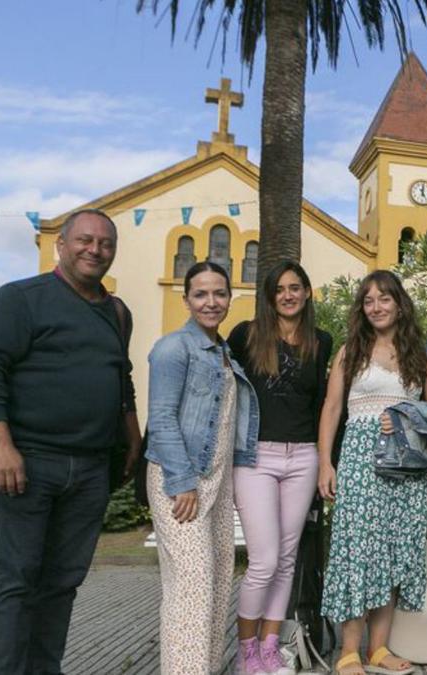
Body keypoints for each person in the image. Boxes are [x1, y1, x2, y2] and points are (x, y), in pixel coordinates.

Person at [0, 209, 142, 674]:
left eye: (104, 243)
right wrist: (0, 444)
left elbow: (121, 382)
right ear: (61, 245)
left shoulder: (116, 313)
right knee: (13, 584)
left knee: (62, 584)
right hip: (25, 463)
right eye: (84, 240)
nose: (94, 250)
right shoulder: (20, 299)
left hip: (88, 471)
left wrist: (132, 441)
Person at [317, 270, 427, 675]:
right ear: (362, 307)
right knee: (358, 552)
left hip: (405, 468)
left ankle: (379, 649)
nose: (376, 307)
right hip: (358, 461)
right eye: (369, 300)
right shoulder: (349, 352)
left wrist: (405, 415)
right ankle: (348, 652)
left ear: (399, 304)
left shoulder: (417, 355)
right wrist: (325, 462)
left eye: (384, 299)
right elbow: (332, 410)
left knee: (393, 553)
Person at [145, 261, 259, 674]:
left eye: (219, 293)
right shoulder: (174, 348)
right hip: (181, 481)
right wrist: (183, 483)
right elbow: (160, 420)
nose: (211, 302)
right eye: (201, 294)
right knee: (190, 589)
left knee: (214, 584)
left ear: (230, 296)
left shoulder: (224, 351)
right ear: (187, 299)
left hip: (218, 481)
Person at [227, 261, 332, 675]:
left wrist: (326, 460)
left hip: (303, 456)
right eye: (280, 289)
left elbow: (323, 405)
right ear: (270, 297)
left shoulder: (320, 341)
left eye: (296, 287)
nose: (288, 295)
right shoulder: (246, 335)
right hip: (255, 456)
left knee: (287, 559)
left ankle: (271, 648)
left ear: (307, 293)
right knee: (264, 560)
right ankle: (245, 650)